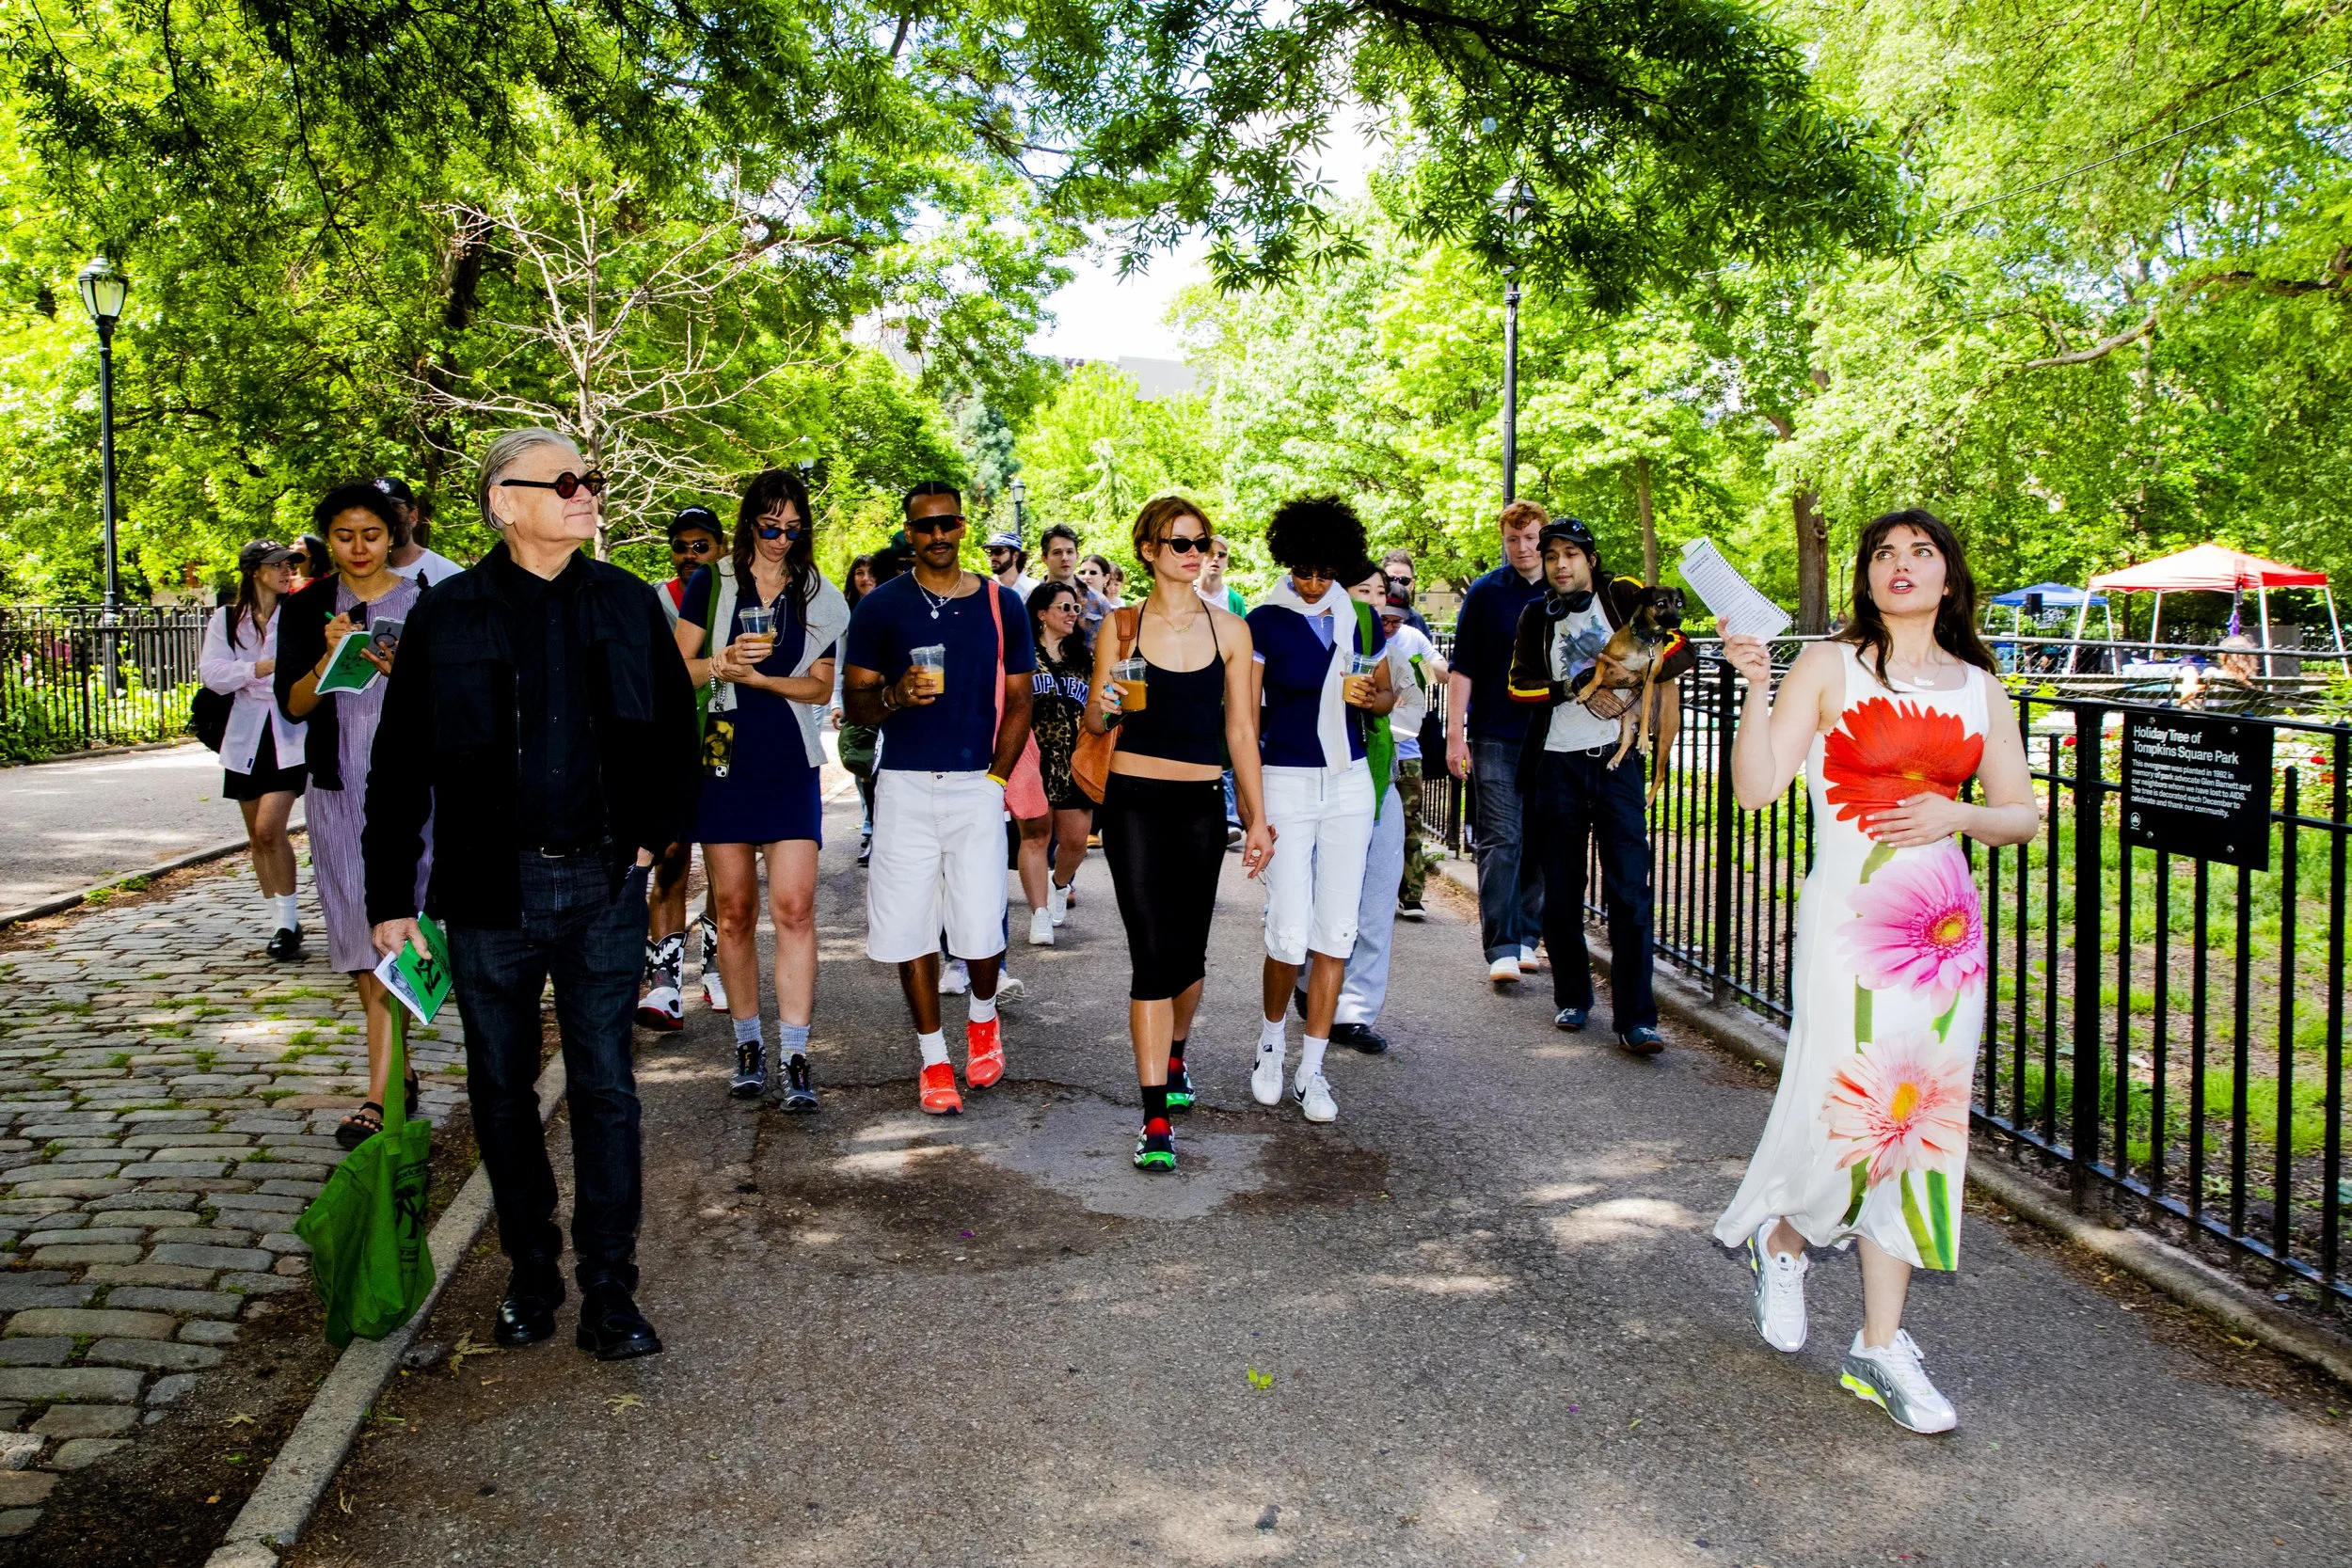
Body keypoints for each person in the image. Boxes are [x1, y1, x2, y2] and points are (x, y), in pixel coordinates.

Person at [363, 427, 699, 1363]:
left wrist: (654, 837)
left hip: (601, 883)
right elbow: (398, 771)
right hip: (485, 893)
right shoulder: (449, 615)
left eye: (590, 479)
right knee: (502, 1091)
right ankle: (530, 1271)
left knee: (607, 1088)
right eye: (564, 481)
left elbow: (679, 735)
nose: (586, 492)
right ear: (506, 502)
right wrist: (392, 897)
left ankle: (609, 1287)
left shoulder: (629, 604)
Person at [1712, 509, 2036, 1434]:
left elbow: (2019, 815)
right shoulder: (1827, 663)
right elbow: (1758, 786)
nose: (1901, 565)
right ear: (1866, 576)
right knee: (1842, 1105)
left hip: (1943, 934)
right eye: (1884, 554)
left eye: (1921, 552)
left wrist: (1955, 814)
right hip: (1848, 922)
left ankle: (1878, 1343)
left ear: (1947, 578)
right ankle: (1781, 1233)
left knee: (1915, 1129)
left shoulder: (1980, 686)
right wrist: (1752, 686)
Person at [1083, 499, 1272, 1170]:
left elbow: (1242, 733)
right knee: (1152, 953)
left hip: (1197, 801)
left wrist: (1256, 815)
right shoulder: (1121, 626)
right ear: (1147, 550)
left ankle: (1177, 1049)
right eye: (1179, 542)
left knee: (1188, 955)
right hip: (1133, 799)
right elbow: (1096, 726)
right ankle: (1154, 1117)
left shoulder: (1232, 631)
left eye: (1202, 542)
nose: (1193, 553)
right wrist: (1105, 707)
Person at [840, 483, 1035, 1116]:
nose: (938, 536)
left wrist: (998, 779)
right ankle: (933, 1059)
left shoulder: (1003, 605)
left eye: (948, 523)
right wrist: (895, 696)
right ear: (909, 533)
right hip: (901, 784)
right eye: (925, 528)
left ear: (962, 524)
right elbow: (858, 703)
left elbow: (1022, 698)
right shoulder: (880, 608)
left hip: (976, 783)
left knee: (980, 927)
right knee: (909, 927)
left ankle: (983, 1020)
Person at [675, 469, 846, 1108]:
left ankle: (796, 1052)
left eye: (792, 529)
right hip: (723, 750)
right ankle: (748, 1043)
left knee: (795, 907)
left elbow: (821, 686)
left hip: (788, 755)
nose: (780, 539)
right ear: (750, 523)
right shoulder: (711, 584)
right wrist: (720, 665)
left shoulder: (818, 594)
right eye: (770, 527)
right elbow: (675, 670)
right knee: (736, 909)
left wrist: (766, 680)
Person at [276, 484, 430, 1150]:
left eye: (371, 533)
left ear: (392, 534)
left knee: (403, 933)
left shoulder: (426, 600)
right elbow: (294, 704)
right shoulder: (307, 605)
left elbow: (454, 703)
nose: (359, 547)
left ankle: (383, 1088)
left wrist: (408, 671)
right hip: (339, 794)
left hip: (416, 797)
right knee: (366, 949)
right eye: (344, 535)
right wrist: (327, 656)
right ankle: (387, 1081)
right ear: (327, 540)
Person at [1506, 515, 1696, 1053]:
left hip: (1619, 764)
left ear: (1590, 559)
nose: (1560, 564)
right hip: (1557, 765)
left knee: (1630, 890)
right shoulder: (1536, 615)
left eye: (1571, 554)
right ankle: (1574, 998)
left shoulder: (1623, 594)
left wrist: (1634, 677)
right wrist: (1573, 688)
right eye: (1551, 556)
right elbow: (1517, 688)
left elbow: (1682, 645)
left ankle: (1637, 1019)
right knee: (1562, 894)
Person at [1246, 497, 1395, 1125]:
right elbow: (1246, 716)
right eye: (1303, 570)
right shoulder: (1262, 620)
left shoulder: (1360, 617)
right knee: (1289, 925)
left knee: (1336, 927)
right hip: (1285, 779)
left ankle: (1313, 1068)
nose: (1313, 583)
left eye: (1325, 571)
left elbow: (1386, 694)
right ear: (1287, 562)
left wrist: (1372, 697)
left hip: (1350, 781)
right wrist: (1252, 808)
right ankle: (1271, 1044)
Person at [1291, 569, 1424, 1054]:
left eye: (1378, 593)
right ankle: (1308, 981)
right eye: (1362, 591)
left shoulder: (1377, 639)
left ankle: (1354, 1010)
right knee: (1310, 900)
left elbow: (1388, 699)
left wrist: (1376, 699)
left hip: (1376, 780)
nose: (1374, 602)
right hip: (1312, 784)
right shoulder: (1297, 630)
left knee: (1373, 902)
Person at [1447, 499, 1551, 986]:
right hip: (1496, 733)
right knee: (1501, 838)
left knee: (1542, 837)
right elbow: (1461, 667)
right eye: (1514, 540)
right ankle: (1502, 946)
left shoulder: (1566, 586)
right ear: (1504, 541)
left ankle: (1530, 936)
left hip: (1556, 735)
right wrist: (1455, 735)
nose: (1524, 548)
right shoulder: (1487, 592)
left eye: (1532, 538)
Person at [639, 504, 730, 1028]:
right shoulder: (655, 599)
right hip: (671, 738)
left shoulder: (735, 594)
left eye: (702, 545)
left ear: (719, 547)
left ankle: (716, 965)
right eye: (681, 546)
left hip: (720, 732)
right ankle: (664, 982)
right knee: (671, 854)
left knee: (723, 856)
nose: (691, 555)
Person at [201, 540, 310, 959]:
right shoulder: (228, 620)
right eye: (277, 565)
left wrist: (246, 675)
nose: (287, 570)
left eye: (290, 564)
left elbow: (304, 668)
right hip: (244, 735)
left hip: (287, 733)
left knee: (270, 829)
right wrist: (257, 669)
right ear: (255, 572)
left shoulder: (298, 614)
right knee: (256, 837)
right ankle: (282, 921)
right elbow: (213, 673)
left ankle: (286, 919)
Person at [1020, 581, 1096, 943]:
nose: (1071, 614)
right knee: (1035, 837)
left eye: (1075, 608)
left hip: (1075, 763)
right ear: (1041, 613)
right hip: (1031, 759)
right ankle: (1038, 914)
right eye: (1064, 607)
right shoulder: (1021, 656)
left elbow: (1098, 707)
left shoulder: (1085, 660)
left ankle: (1059, 885)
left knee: (1076, 842)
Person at [1378, 585, 1445, 920]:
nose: (1389, 626)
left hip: (1407, 749)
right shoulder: (1360, 636)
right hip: (1373, 747)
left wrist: (1420, 673)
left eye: (1396, 621)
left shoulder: (1413, 639)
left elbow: (1442, 671)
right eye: (1384, 619)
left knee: (1410, 823)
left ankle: (1412, 894)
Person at [835, 555, 882, 866]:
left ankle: (885, 831)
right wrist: (838, 704)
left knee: (884, 769)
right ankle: (870, 828)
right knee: (863, 765)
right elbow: (839, 662)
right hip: (858, 697)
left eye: (870, 573)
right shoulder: (846, 615)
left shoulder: (892, 607)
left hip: (891, 698)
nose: (864, 578)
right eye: (859, 573)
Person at [373, 476, 466, 585]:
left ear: (413, 517)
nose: (386, 518)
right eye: (376, 510)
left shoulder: (449, 575)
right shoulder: (353, 574)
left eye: (395, 509)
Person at [1041, 524, 1112, 632]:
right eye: (1057, 553)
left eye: (1069, 552)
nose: (1065, 558)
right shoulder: (1030, 599)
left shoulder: (1099, 602)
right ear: (1044, 558)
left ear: (1077, 556)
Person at [1381, 548, 1434, 636]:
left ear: (1412, 584)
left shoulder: (1418, 621)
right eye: (1390, 579)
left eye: (1404, 581)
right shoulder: (1368, 616)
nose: (1397, 584)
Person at [986, 531, 1041, 601]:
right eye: (990, 552)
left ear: (1015, 556)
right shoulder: (986, 588)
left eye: (998, 551)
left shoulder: (1034, 587)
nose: (993, 557)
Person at [1200, 536, 1248, 614]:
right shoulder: (1186, 593)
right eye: (1210, 553)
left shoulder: (1235, 601)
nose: (1215, 558)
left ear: (1227, 562)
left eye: (1221, 554)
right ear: (1201, 558)